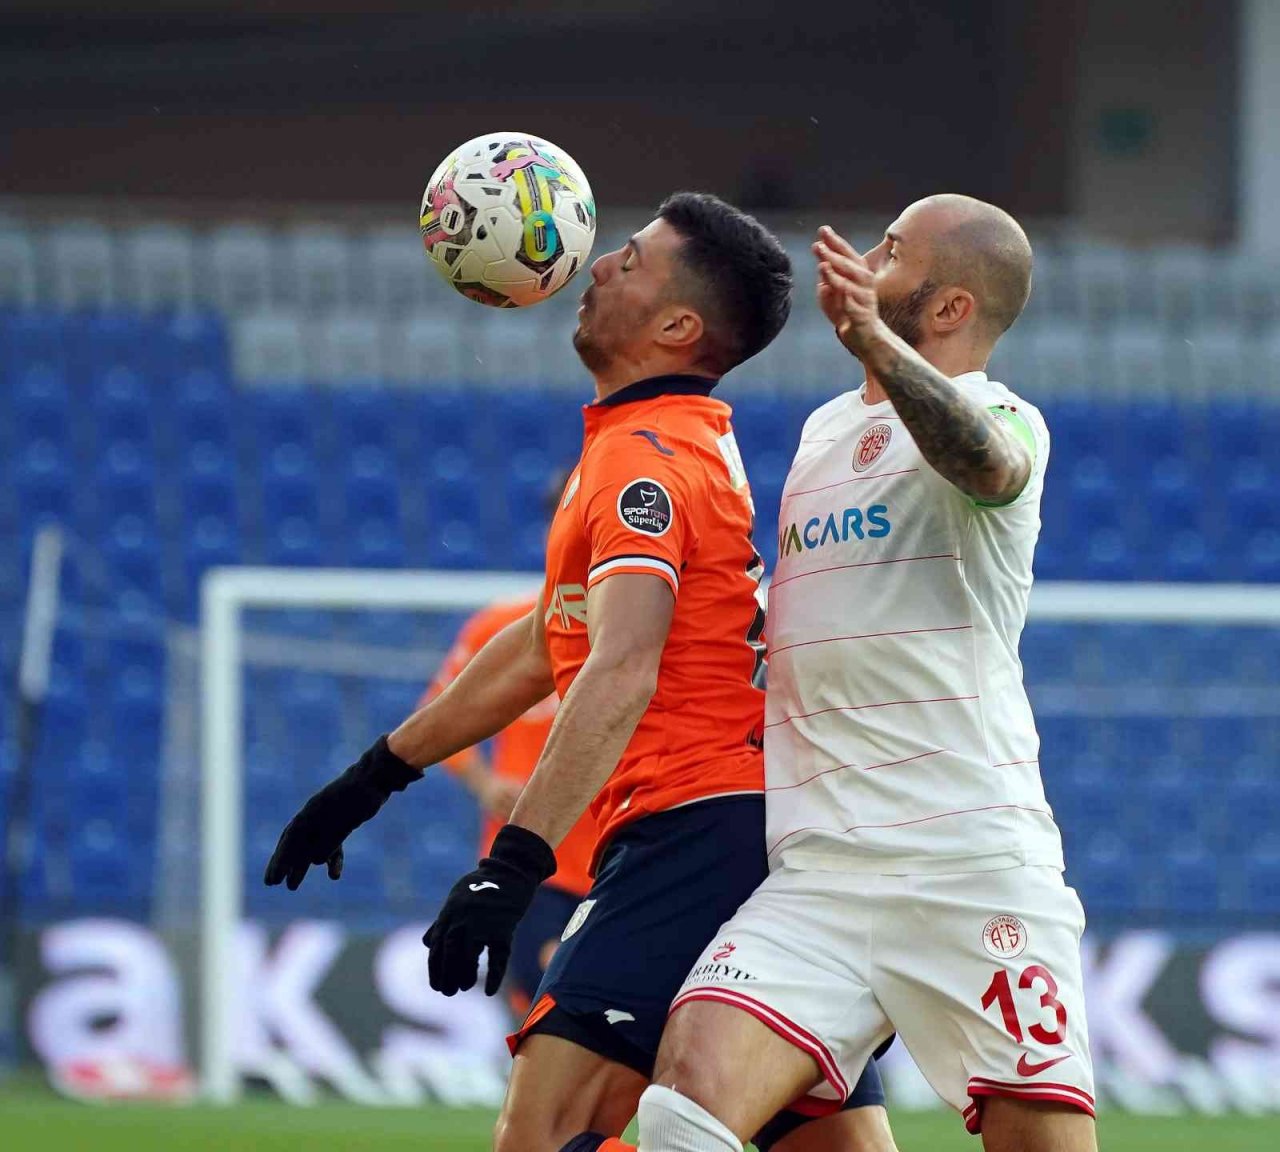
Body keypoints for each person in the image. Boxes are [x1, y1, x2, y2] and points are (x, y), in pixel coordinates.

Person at [264, 192, 895, 1152]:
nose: (598, 266)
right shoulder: (660, 440)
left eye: (632, 260)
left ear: (679, 325)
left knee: (546, 1125)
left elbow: (620, 668)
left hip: (698, 832)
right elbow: (539, 648)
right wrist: (371, 779)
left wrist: (509, 867)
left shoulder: (644, 463)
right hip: (754, 822)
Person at [632, 195, 1098, 1152]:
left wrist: (882, 351)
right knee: (685, 1096)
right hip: (821, 870)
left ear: (950, 308)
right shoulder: (821, 433)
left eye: (891, 251)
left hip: (968, 864)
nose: (862, 260)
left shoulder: (1007, 419)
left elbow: (988, 468)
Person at [421, 472, 597, 1018]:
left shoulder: (645, 631)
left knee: (581, 1013)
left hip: (618, 853)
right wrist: (483, 781)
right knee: (544, 1000)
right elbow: (438, 718)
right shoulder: (501, 627)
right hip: (530, 858)